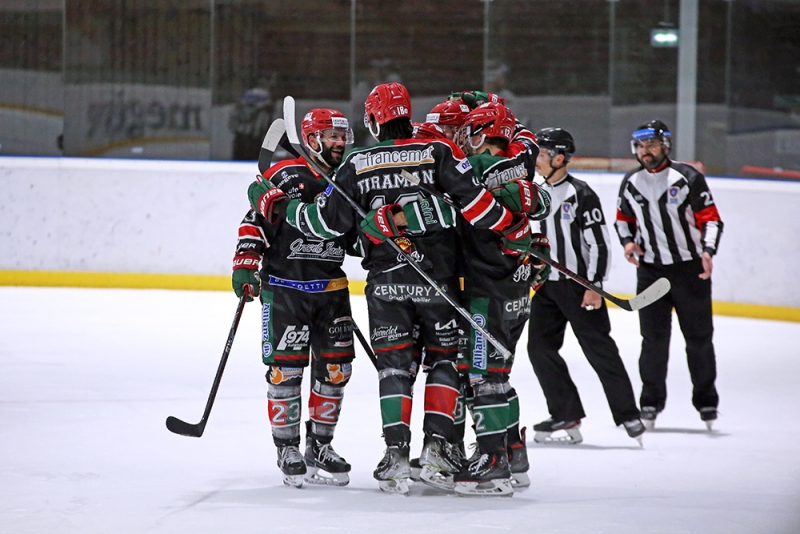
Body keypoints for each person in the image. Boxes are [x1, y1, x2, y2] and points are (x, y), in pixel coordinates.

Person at [246, 82, 530, 495]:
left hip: (387, 285)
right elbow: (479, 209)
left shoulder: (358, 162)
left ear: (375, 119)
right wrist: (515, 227)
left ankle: (396, 455)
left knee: (395, 368)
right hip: (440, 281)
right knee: (445, 363)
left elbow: (325, 225)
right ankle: (437, 448)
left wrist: (276, 204)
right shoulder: (439, 151)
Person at [232, 108, 359, 488]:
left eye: (342, 136)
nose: (340, 143)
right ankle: (287, 447)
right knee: (286, 371)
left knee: (337, 371)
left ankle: (320, 445)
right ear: (313, 139)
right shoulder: (285, 176)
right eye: (332, 136)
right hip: (286, 290)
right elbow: (254, 221)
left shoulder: (348, 179)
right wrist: (245, 265)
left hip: (332, 291)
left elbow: (356, 239)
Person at [447, 102, 551, 495]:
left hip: (484, 290)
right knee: (499, 373)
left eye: (472, 131)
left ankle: (492, 461)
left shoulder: (473, 169)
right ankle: (514, 450)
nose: (466, 141)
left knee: (482, 374)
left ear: (485, 132)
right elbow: (526, 140)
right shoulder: (522, 162)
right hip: (517, 289)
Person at [526, 127, 645, 446]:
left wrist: (594, 285)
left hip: (579, 288)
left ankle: (628, 413)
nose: (535, 159)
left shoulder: (581, 193)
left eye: (541, 153)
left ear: (559, 158)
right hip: (546, 289)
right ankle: (565, 411)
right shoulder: (532, 193)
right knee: (539, 349)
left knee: (600, 350)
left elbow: (599, 244)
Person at [615, 119, 724, 431]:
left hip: (691, 272)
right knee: (652, 341)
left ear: (666, 145)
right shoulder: (631, 181)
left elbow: (712, 220)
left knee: (699, 341)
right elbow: (622, 220)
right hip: (651, 273)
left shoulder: (688, 177)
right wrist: (628, 242)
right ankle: (649, 401)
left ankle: (706, 401)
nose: (645, 150)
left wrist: (707, 251)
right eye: (641, 145)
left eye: (651, 144)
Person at [229, 88, 275, 160]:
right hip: (245, 140)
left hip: (254, 141)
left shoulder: (265, 112)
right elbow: (232, 124)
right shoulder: (264, 110)